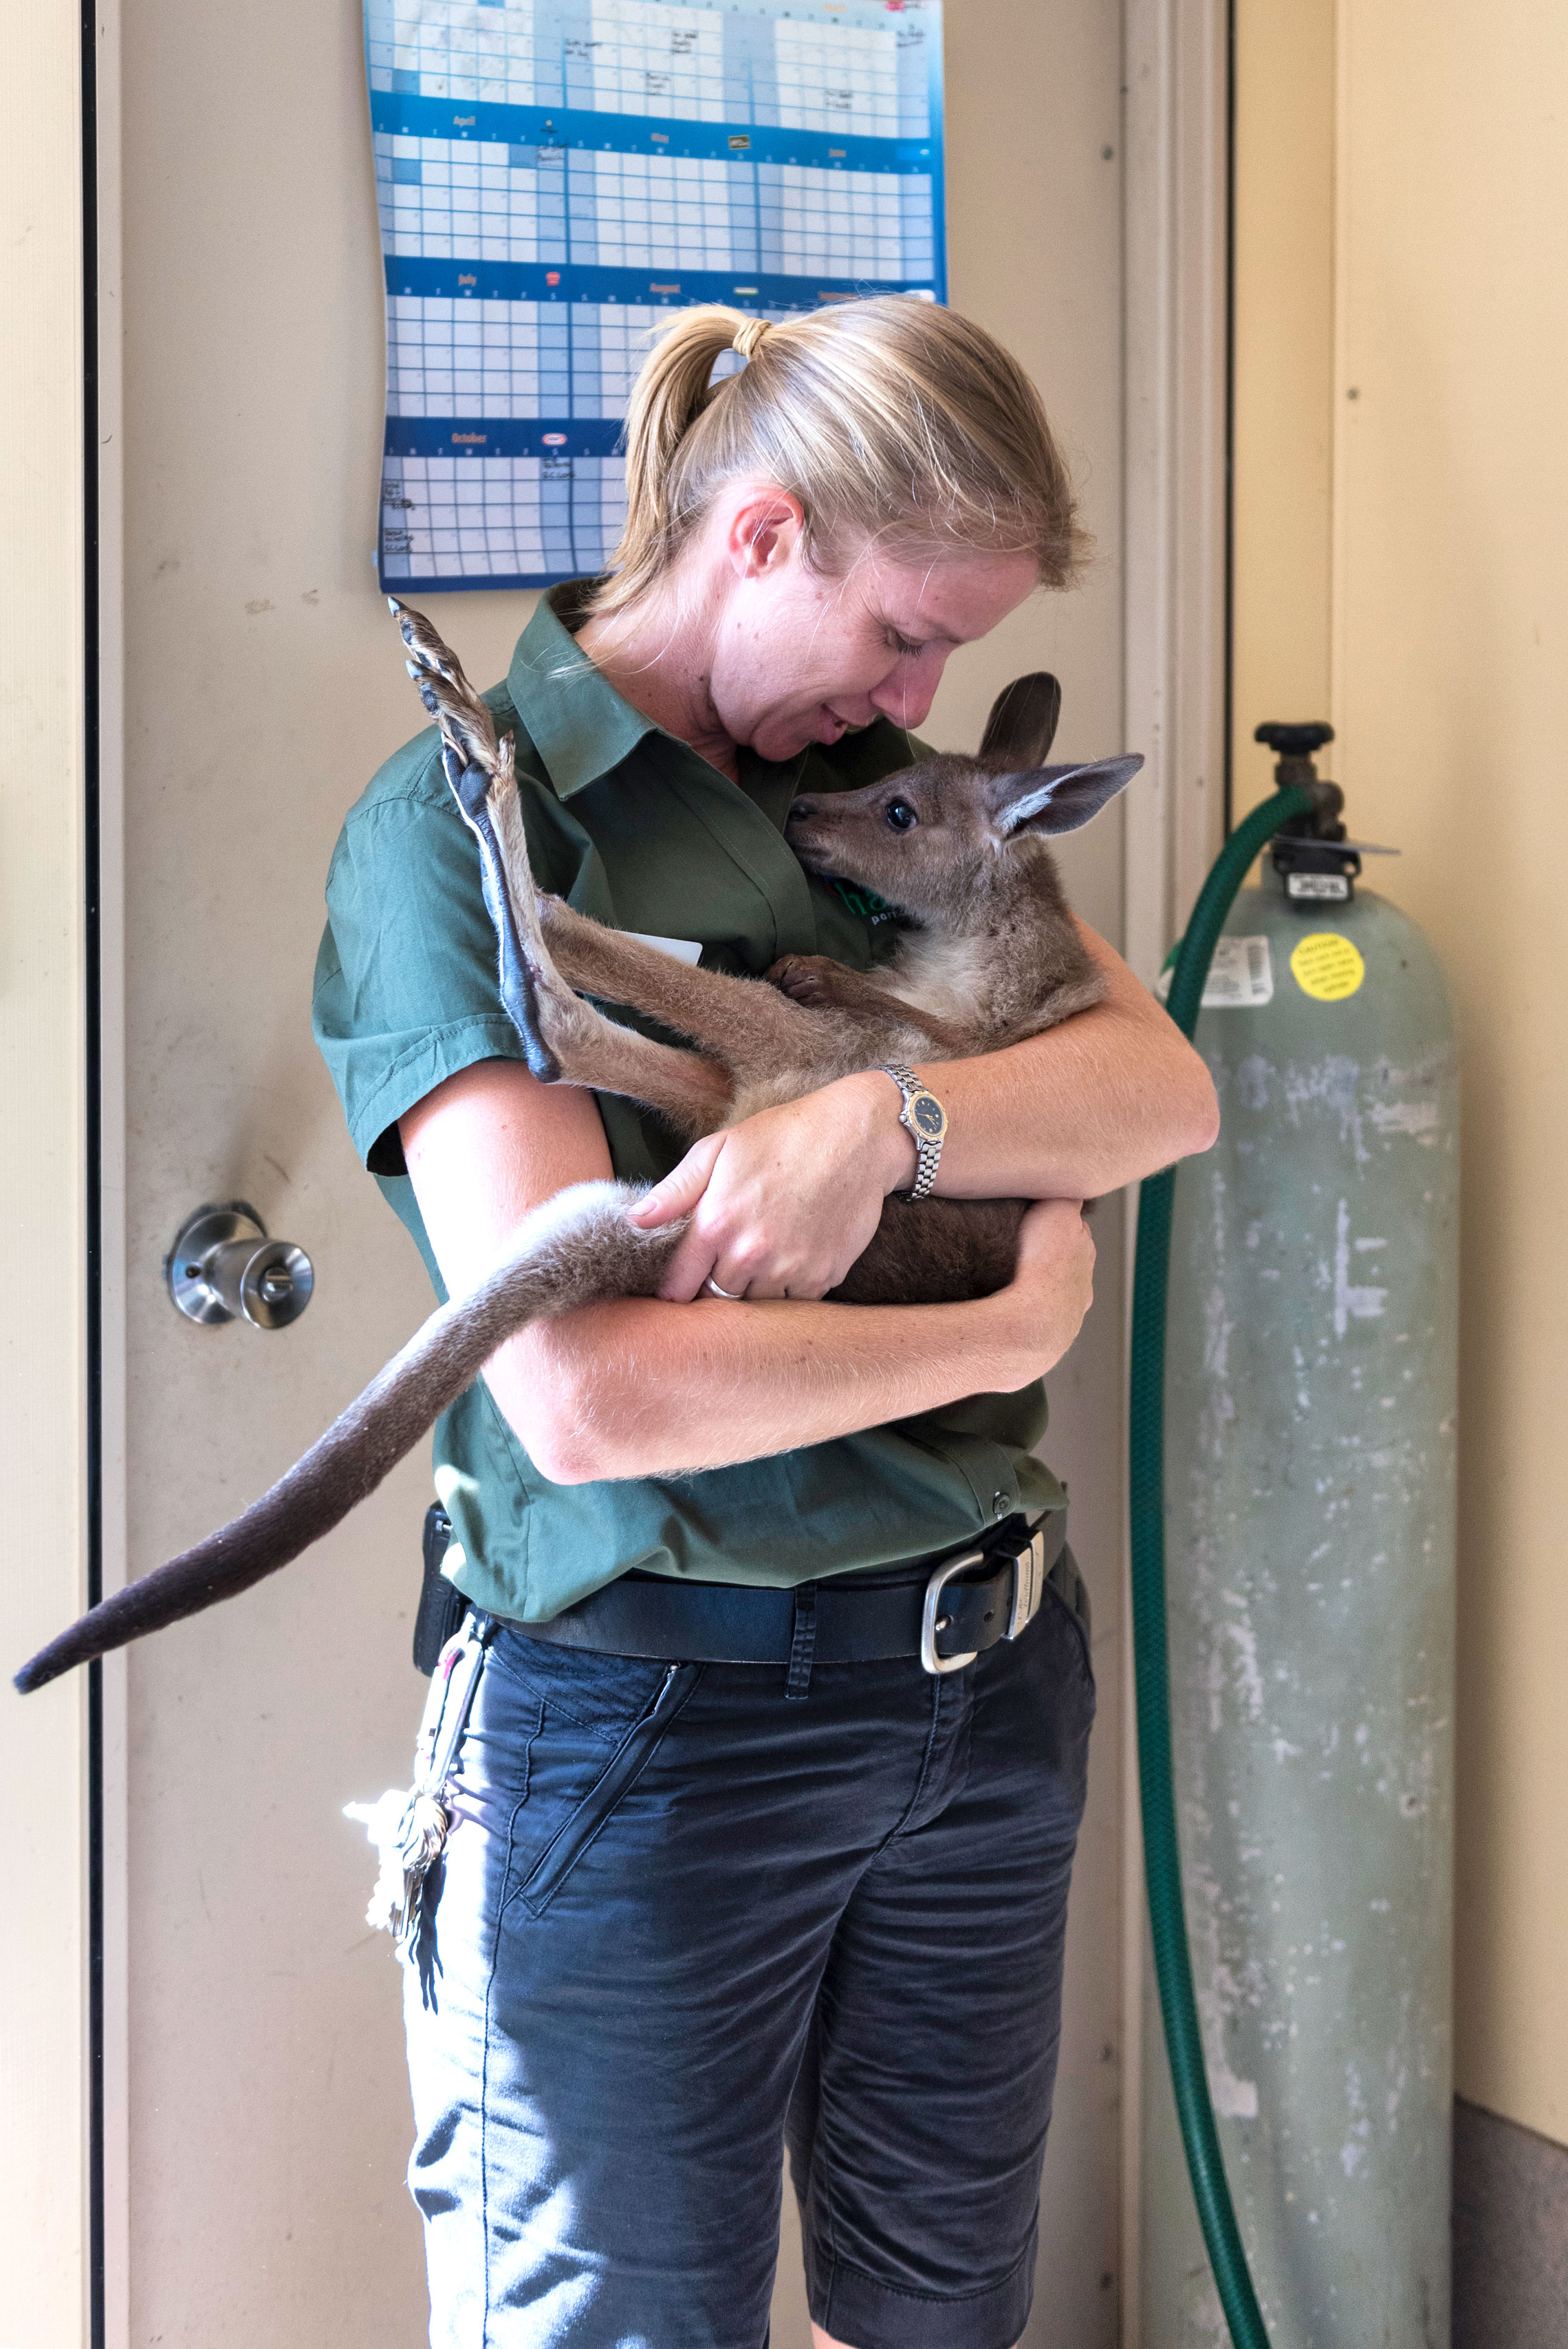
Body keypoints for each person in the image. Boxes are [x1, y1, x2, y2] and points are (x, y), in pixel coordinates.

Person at [314, 298, 1217, 2349]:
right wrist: (996, 1339)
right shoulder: (465, 832)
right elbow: (587, 1398)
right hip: (655, 1712)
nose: (919, 699)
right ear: (765, 537)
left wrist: (881, 1131)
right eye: (902, 635)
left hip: (983, 1696)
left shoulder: (893, 790)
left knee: (935, 2320)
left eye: (952, 663)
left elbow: (1159, 1091)